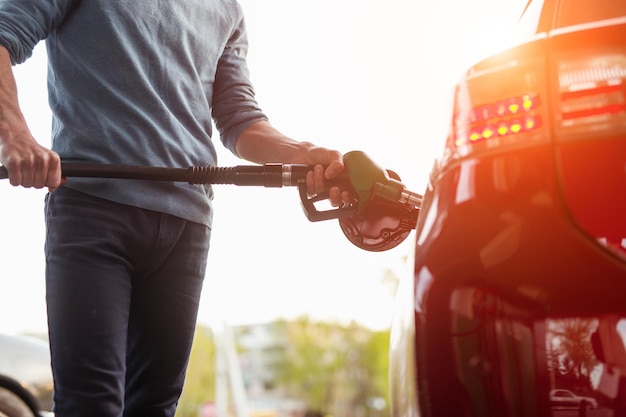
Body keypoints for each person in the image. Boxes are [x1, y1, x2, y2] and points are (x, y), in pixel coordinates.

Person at [0, 2, 351, 416]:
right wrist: (15, 136)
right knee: (90, 404)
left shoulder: (226, 8)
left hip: (187, 224)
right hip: (95, 210)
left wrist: (303, 153)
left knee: (155, 407)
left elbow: (240, 119)